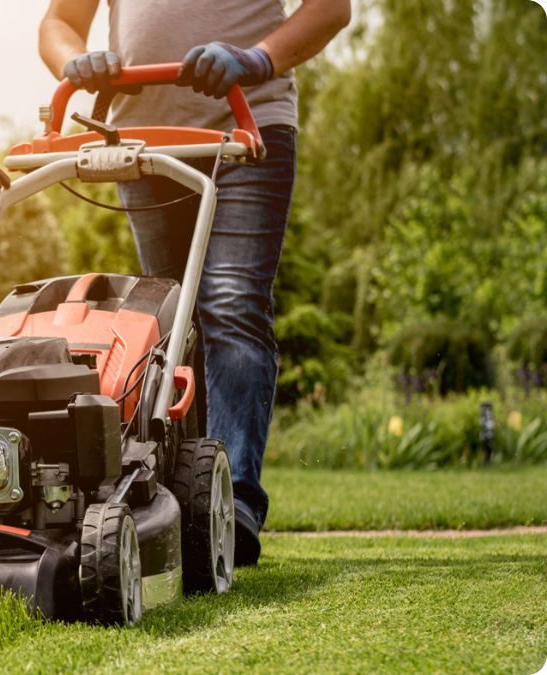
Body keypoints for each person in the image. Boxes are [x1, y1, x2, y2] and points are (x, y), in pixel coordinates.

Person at [39, 0, 350, 565]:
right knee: (170, 324)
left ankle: (234, 507)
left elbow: (332, 9)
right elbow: (59, 22)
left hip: (246, 125)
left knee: (230, 304)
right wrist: (76, 61)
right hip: (144, 143)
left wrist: (258, 59)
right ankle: (181, 500)